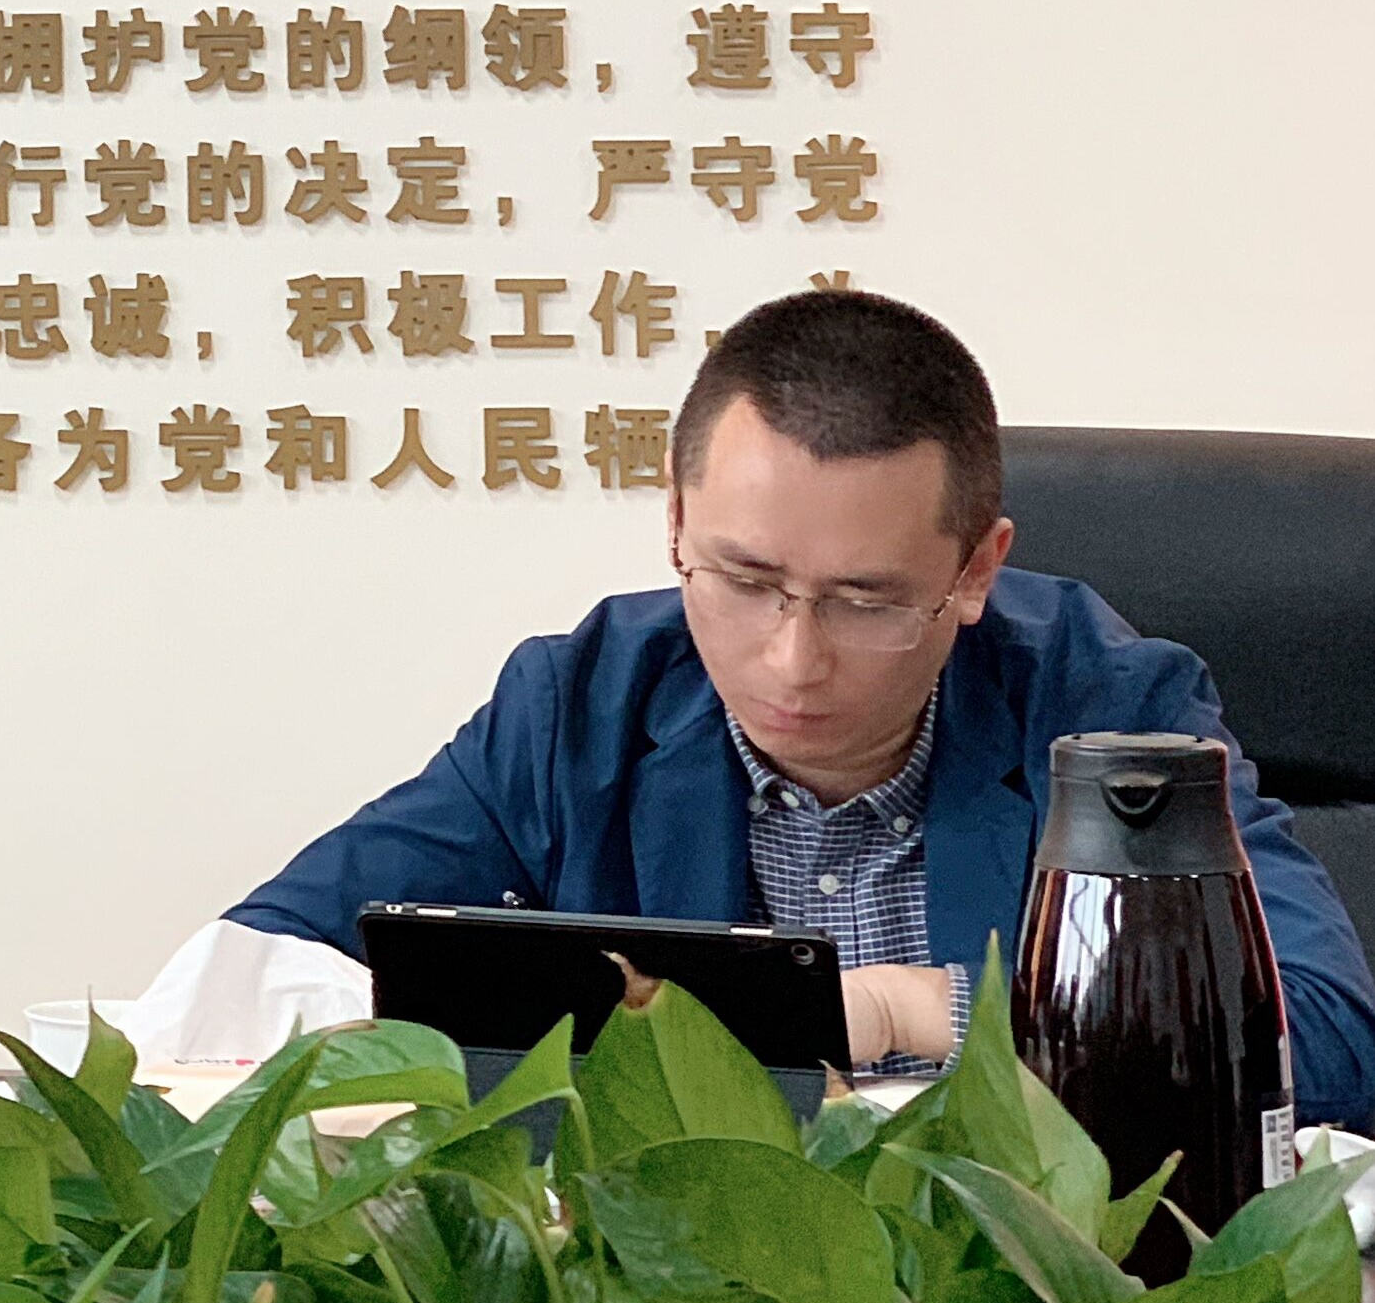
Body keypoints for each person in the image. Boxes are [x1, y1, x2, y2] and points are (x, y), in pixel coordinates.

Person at [223, 289, 1375, 1122]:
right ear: (674, 519)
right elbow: (256, 964)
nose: (790, 659)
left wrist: (916, 1012)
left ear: (975, 569)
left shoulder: (1104, 709)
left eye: (865, 600)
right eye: (742, 579)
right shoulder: (576, 702)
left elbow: (1329, 1039)